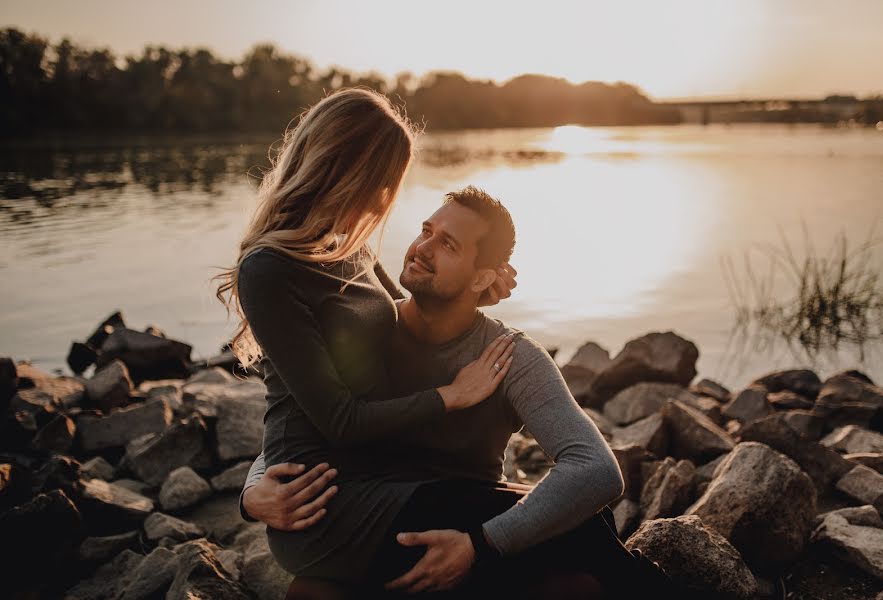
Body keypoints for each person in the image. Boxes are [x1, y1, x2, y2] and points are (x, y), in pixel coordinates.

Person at [242, 188, 677, 598]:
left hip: (464, 542)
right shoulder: (368, 335)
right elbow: (307, 416)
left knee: (577, 584)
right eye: (426, 231)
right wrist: (255, 489)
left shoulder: (507, 356)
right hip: (372, 536)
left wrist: (479, 546)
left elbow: (596, 470)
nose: (422, 248)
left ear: (482, 278)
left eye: (448, 245)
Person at [214, 89, 520, 587]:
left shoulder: (349, 246)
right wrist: (453, 396)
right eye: (380, 179)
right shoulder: (269, 269)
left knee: (557, 519)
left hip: (388, 474)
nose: (384, 197)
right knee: (546, 522)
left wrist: (473, 292)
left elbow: (405, 324)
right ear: (340, 168)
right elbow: (336, 420)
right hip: (325, 505)